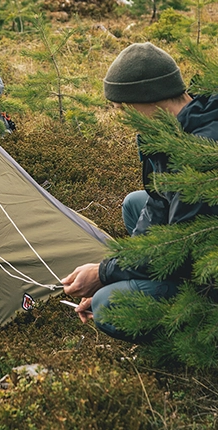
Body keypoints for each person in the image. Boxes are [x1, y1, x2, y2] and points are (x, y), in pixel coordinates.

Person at [61, 42, 218, 341]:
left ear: (148, 98)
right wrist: (124, 270)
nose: (120, 117)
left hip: (207, 274)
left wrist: (104, 275)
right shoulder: (167, 131)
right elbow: (158, 206)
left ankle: (200, 329)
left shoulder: (201, 152)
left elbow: (179, 251)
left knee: (109, 304)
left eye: (122, 108)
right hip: (193, 246)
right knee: (135, 203)